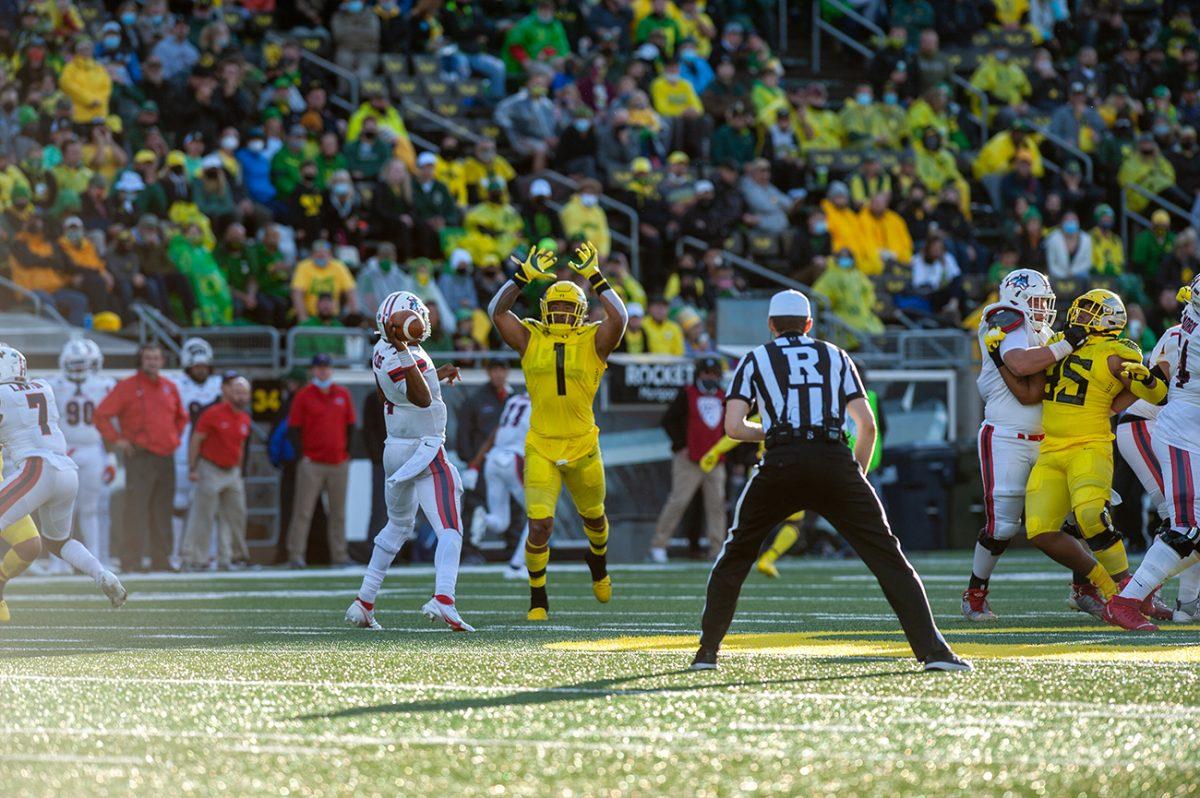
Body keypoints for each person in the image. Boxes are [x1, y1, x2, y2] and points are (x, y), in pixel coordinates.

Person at [692, 290, 969, 672]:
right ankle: (935, 652)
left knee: (736, 553)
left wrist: (775, 431)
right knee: (888, 557)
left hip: (782, 462)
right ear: (809, 325)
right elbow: (866, 425)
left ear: (771, 326)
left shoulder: (756, 358)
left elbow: (734, 427)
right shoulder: (836, 356)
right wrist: (856, 475)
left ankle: (707, 653)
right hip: (835, 459)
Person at [488, 242, 627, 620]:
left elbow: (621, 319)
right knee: (540, 524)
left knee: (594, 519)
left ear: (581, 312)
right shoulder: (530, 337)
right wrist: (522, 278)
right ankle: (538, 597)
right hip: (542, 446)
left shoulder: (594, 339)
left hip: (583, 445)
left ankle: (597, 563)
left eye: (570, 307)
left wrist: (596, 277)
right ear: (546, 309)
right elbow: (496, 311)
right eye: (558, 306)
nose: (563, 312)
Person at [1008, 291, 1162, 617]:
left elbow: (1148, 392)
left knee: (1091, 516)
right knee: (1039, 529)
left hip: (1089, 444)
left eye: (1092, 310)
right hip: (1052, 448)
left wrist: (1114, 402)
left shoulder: (1118, 349)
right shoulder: (1064, 339)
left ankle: (1129, 592)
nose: (1082, 313)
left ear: (1111, 318)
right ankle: (1107, 587)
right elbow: (1028, 371)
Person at [346, 292, 472, 632]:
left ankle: (364, 601)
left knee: (398, 526)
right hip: (426, 448)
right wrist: (404, 350)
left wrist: (437, 373)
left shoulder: (380, 350)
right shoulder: (399, 353)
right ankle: (444, 598)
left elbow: (395, 391)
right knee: (450, 527)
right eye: (417, 315)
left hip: (396, 448)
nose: (424, 320)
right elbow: (420, 398)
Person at [0, 345, 126, 623]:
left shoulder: (3, 394)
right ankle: (102, 574)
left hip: (36, 469)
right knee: (58, 543)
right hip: (67, 472)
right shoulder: (43, 387)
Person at [1107, 276, 1200, 629]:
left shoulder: (1185, 329)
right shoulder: (1186, 335)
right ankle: (1129, 598)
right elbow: (1158, 394)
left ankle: (1183, 604)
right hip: (1179, 431)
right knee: (1185, 526)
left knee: (1191, 527)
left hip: (1181, 425)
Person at [95, 343, 188, 573]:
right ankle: (131, 560)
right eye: (148, 358)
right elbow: (101, 415)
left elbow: (181, 417)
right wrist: (117, 440)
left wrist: (174, 439)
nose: (153, 362)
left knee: (163, 510)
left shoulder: (170, 387)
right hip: (140, 456)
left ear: (162, 362)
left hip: (165, 456)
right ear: (141, 360)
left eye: (156, 358)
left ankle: (162, 559)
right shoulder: (127, 387)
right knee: (135, 509)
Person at [648, 356, 727, 563]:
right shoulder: (686, 393)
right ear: (698, 374)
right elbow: (668, 421)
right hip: (688, 460)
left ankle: (717, 548)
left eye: (713, 374)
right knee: (678, 501)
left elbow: (728, 427)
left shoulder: (724, 396)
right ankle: (659, 545)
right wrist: (680, 445)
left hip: (715, 460)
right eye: (705, 373)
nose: (709, 377)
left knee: (716, 505)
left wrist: (730, 455)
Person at [47, 339, 116, 569]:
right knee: (63, 508)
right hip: (64, 451)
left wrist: (111, 456)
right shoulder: (54, 385)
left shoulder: (103, 385)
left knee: (90, 508)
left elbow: (111, 422)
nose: (77, 369)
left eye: (81, 364)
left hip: (92, 448)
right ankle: (61, 561)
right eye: (73, 364)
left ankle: (95, 559)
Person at [285, 354, 356, 568]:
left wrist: (346, 453)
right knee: (303, 511)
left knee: (338, 513)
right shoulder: (304, 395)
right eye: (319, 368)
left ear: (331, 370)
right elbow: (294, 429)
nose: (323, 371)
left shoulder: (342, 393)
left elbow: (351, 426)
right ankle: (296, 555)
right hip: (312, 462)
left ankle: (340, 555)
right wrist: (303, 456)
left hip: (338, 462)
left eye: (326, 367)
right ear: (312, 371)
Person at [182, 375, 252, 571]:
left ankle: (230, 557)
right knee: (203, 515)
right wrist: (193, 467)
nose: (241, 396)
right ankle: (196, 558)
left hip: (232, 471)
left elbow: (241, 446)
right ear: (227, 392)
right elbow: (196, 440)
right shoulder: (212, 413)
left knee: (235, 515)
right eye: (237, 392)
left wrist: (239, 470)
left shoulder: (245, 418)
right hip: (210, 468)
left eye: (244, 393)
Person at [463, 392, 532, 580]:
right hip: (514, 459)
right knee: (539, 515)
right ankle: (517, 566)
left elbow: (495, 433)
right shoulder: (542, 401)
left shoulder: (514, 400)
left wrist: (475, 466)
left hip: (493, 459)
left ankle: (482, 517)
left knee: (500, 522)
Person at [170, 338, 224, 569]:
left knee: (209, 506)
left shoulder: (220, 385)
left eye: (204, 366)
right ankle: (177, 554)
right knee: (179, 504)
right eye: (196, 366)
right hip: (182, 450)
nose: (200, 370)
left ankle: (208, 555)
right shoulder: (176, 384)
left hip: (210, 453)